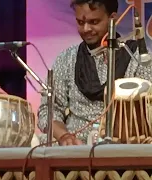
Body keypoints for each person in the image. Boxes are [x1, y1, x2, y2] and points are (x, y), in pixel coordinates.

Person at [37, 0, 152, 146]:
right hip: (74, 148)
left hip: (124, 146)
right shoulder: (67, 59)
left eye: (94, 22)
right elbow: (48, 111)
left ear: (113, 18)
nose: (86, 29)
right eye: (80, 22)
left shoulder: (137, 57)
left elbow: (148, 109)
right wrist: (64, 136)